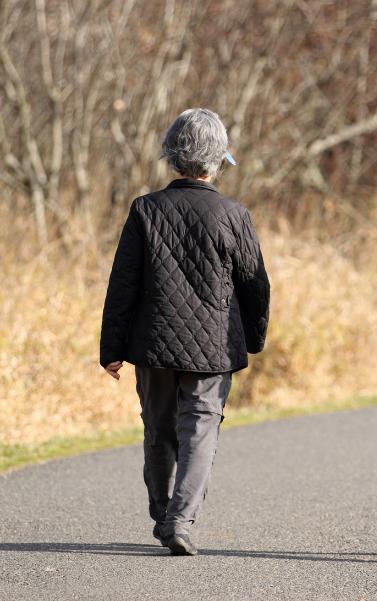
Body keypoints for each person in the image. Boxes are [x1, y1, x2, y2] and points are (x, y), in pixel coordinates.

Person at [99, 108, 270, 556]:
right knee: (201, 428)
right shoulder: (234, 214)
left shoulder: (145, 209)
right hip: (214, 346)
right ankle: (180, 519)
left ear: (172, 157)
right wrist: (253, 338)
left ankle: (162, 510)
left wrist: (112, 348)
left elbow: (124, 284)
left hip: (152, 344)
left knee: (158, 428)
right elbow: (255, 284)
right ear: (217, 160)